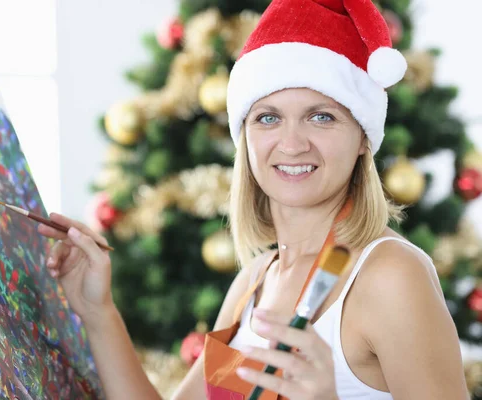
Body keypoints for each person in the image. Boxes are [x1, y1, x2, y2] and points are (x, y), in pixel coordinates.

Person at [38, 0, 470, 398]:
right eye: (268, 118)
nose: (292, 143)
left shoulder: (390, 276)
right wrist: (99, 313)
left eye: (322, 116)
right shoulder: (254, 283)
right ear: (245, 139)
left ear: (363, 138)